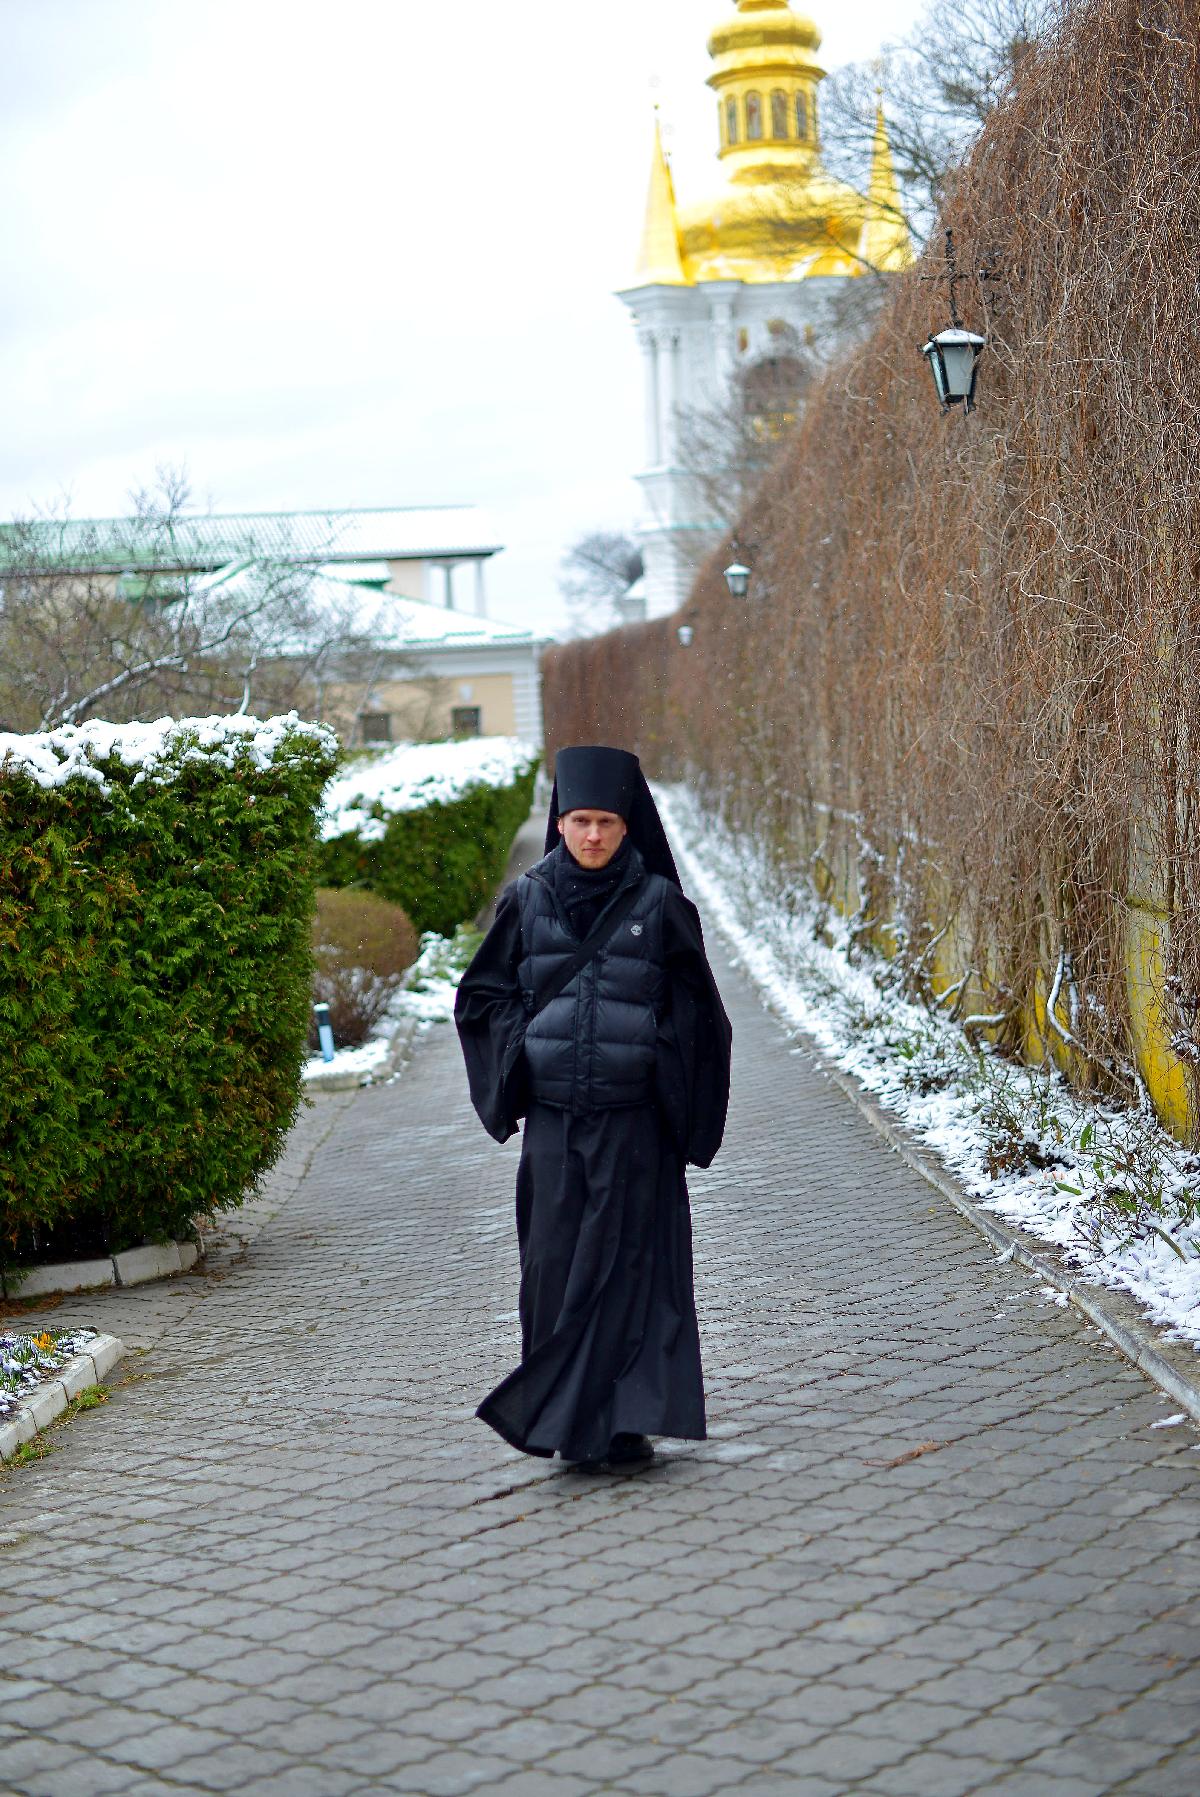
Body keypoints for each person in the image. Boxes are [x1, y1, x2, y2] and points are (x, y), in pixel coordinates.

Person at [455, 744, 732, 1469]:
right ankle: (566, 1423)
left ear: (627, 822)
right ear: (561, 820)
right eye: (580, 820)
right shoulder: (526, 898)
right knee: (554, 1270)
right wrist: (523, 1055)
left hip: (634, 1126)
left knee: (628, 1274)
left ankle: (623, 1423)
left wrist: (659, 1060)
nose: (593, 836)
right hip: (554, 1127)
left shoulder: (660, 905)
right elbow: (481, 997)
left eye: (607, 821)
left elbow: (700, 1011)